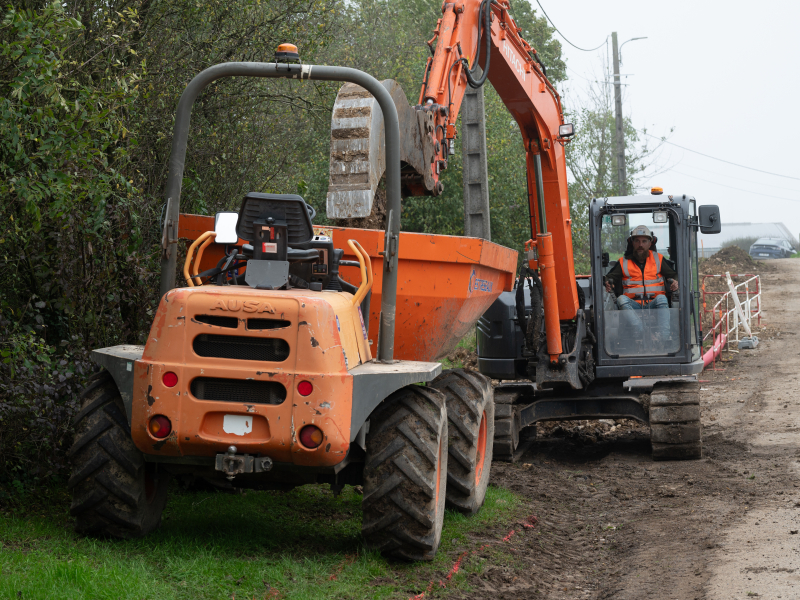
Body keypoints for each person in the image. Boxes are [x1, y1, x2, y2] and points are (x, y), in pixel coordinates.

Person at [603, 225, 678, 341]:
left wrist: (675, 282)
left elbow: (673, 275)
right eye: (637, 241)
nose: (640, 245)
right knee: (621, 299)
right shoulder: (623, 262)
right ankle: (641, 331)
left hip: (654, 303)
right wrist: (608, 283)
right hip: (634, 305)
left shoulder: (658, 259)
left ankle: (664, 339)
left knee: (662, 298)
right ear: (632, 243)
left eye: (644, 241)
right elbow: (609, 277)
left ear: (650, 243)